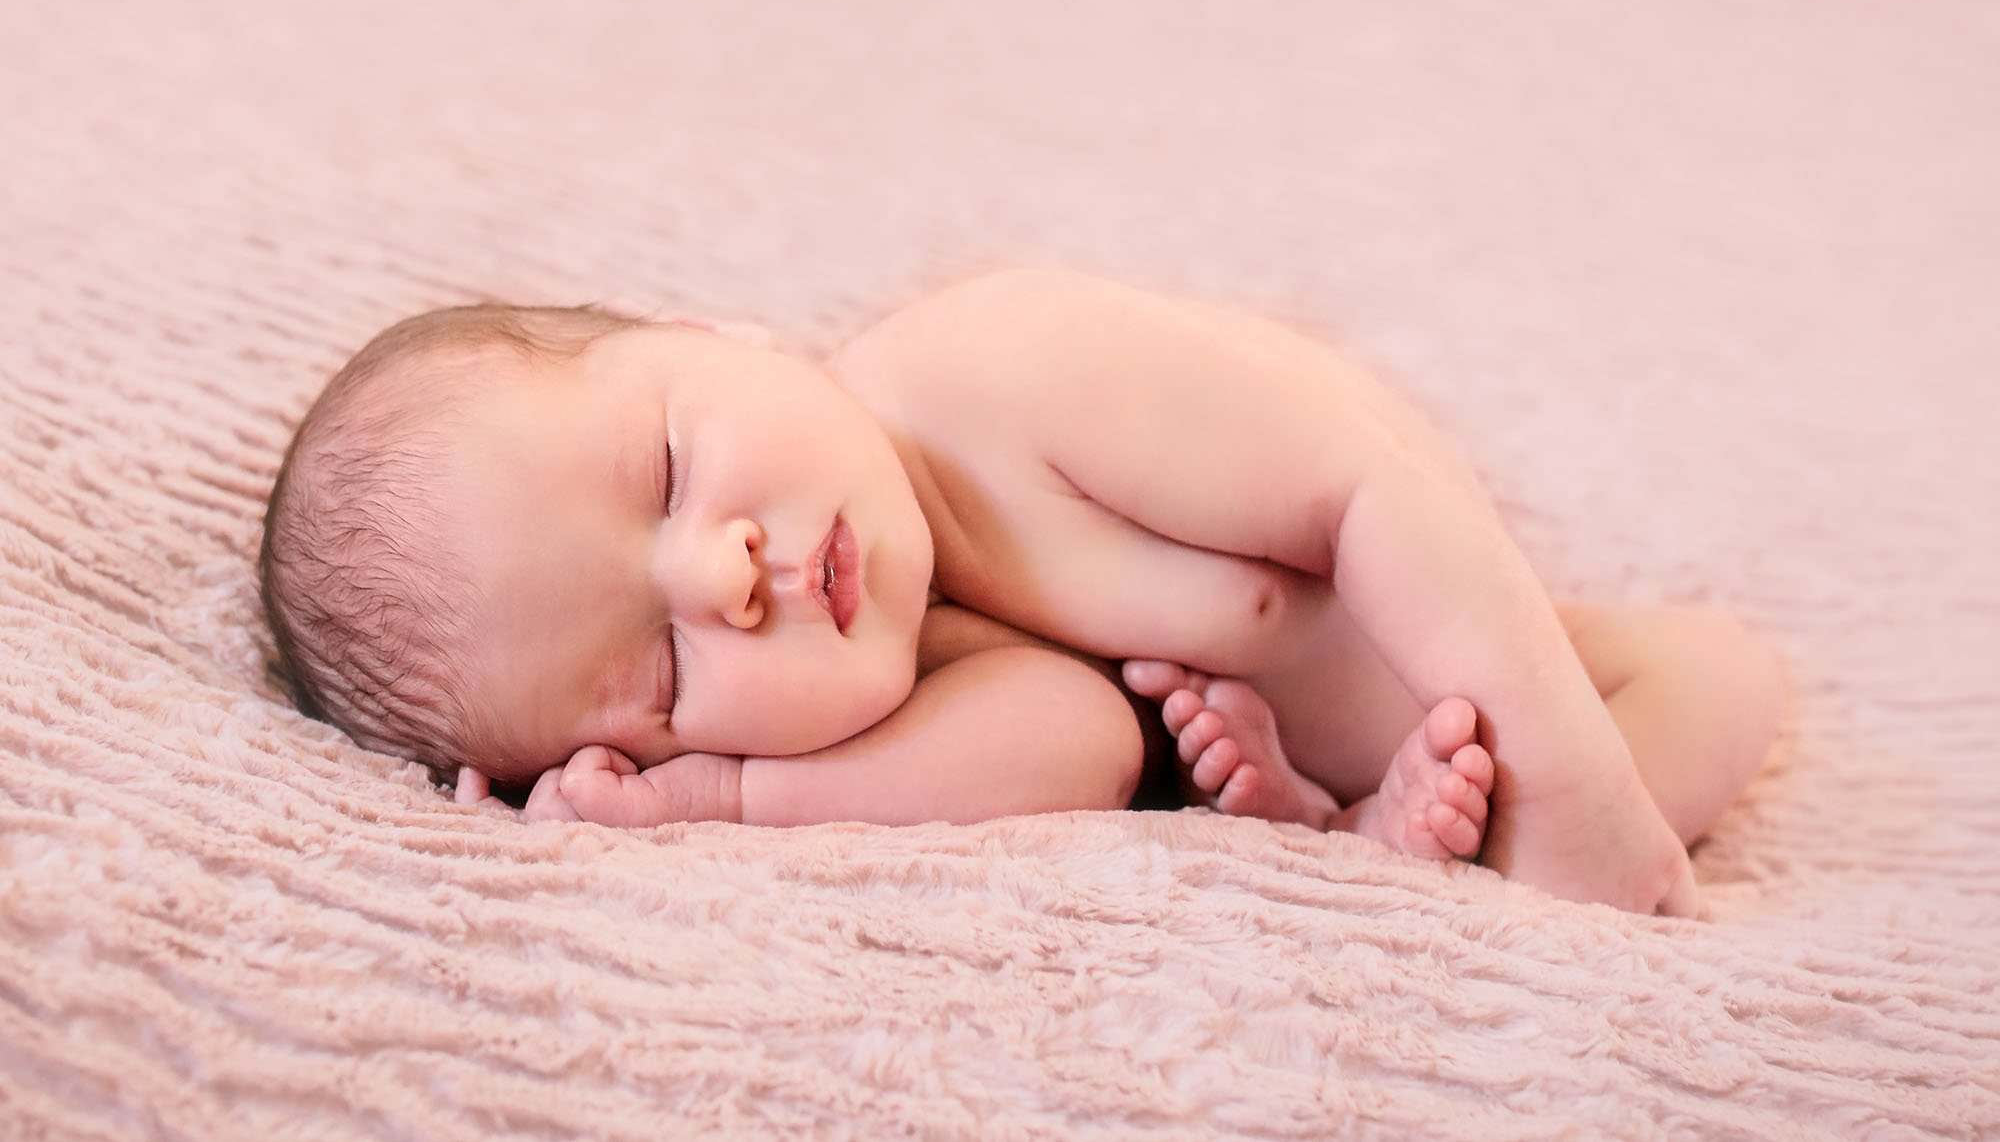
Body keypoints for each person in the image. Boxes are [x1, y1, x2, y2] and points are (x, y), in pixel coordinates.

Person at [258, 266, 1790, 916]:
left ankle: (1537, 796)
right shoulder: (900, 676)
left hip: (1494, 628)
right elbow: (1083, 748)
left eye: (664, 471)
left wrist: (1573, 780)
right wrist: (710, 801)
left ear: (704, 330)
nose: (721, 575)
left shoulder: (995, 370)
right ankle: (1366, 842)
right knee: (1252, 778)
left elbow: (1365, 475)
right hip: (1332, 757)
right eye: (662, 678)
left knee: (1725, 675)